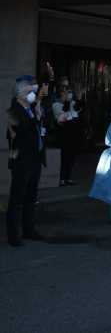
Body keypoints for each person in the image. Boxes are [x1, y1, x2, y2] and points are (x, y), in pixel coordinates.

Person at [6, 76, 47, 246]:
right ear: (20, 92)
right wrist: (36, 114)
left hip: (35, 159)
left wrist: (38, 113)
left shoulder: (31, 109)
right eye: (30, 89)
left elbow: (38, 129)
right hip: (21, 161)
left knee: (31, 198)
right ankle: (13, 236)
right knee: (17, 200)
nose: (33, 93)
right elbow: (21, 131)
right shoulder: (13, 111)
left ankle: (29, 230)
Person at [52, 87, 82, 186]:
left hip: (73, 134)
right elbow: (63, 115)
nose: (69, 94)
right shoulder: (56, 105)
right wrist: (67, 103)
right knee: (64, 157)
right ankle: (61, 178)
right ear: (61, 94)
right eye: (66, 93)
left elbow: (78, 109)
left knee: (72, 157)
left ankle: (68, 177)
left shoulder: (72, 103)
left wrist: (78, 99)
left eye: (70, 92)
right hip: (63, 134)